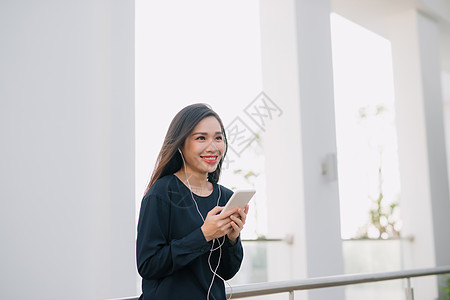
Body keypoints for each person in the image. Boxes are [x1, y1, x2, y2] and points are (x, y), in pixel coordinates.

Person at [136, 103, 249, 300]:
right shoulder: (161, 194)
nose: (212, 147)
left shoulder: (224, 197)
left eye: (218, 138)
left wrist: (232, 239)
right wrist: (204, 235)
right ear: (180, 144)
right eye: (201, 138)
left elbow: (226, 272)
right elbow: (148, 265)